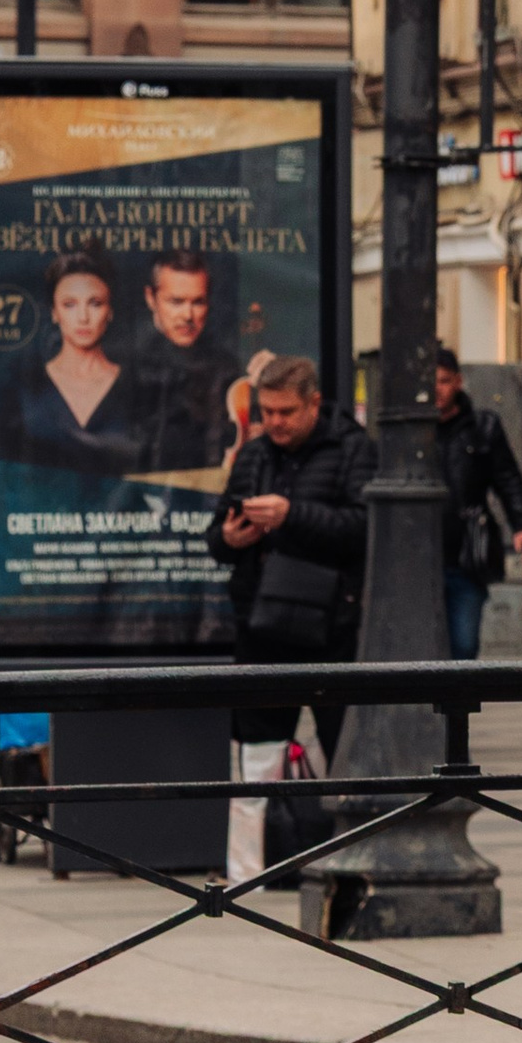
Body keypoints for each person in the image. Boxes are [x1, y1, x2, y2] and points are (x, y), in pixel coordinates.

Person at [208, 356, 375, 769]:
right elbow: (217, 537)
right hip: (261, 627)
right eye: (267, 412)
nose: (276, 422)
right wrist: (228, 538)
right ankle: (263, 833)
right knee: (257, 752)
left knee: (342, 751)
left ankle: (341, 829)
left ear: (314, 404)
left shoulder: (352, 448)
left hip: (330, 628)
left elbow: (365, 529)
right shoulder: (253, 455)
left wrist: (291, 514)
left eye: (286, 412)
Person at [433, 347, 522, 659]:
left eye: (443, 381)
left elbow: (508, 479)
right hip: (421, 556)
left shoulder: (482, 426)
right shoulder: (411, 431)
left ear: (458, 382)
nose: (436, 389)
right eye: (430, 382)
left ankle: (455, 708)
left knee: (464, 644)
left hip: (468, 553)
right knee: (426, 646)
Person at [13, 252, 149, 474]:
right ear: (54, 312)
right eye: (70, 304)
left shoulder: (139, 388)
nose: (83, 317)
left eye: (95, 303)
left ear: (110, 311)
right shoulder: (25, 388)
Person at [133, 247, 236, 469]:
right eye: (176, 302)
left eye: (198, 302)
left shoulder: (226, 368)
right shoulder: (127, 364)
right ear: (151, 298)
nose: (188, 316)